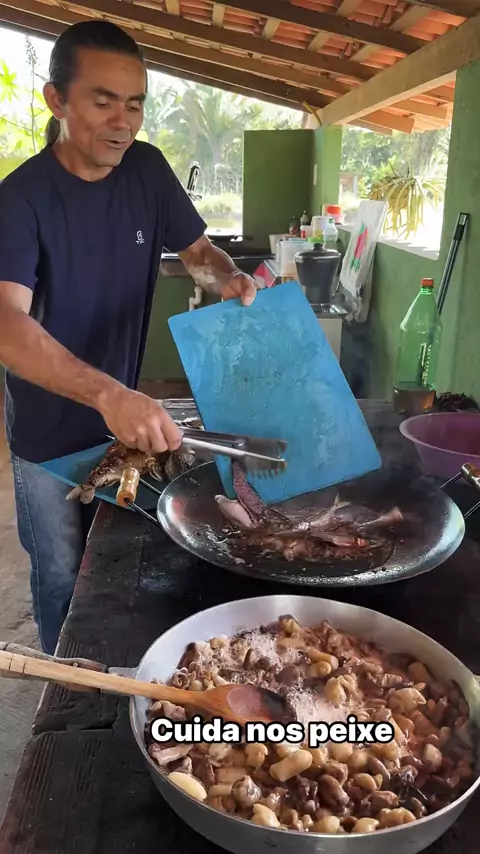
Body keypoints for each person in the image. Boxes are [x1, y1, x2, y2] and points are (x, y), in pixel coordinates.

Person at [0, 20, 257, 655]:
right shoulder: (20, 199)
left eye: (135, 104)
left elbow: (197, 251)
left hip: (124, 423)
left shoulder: (146, 170)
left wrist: (227, 277)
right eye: (103, 101)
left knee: (114, 566)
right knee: (60, 574)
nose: (123, 122)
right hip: (46, 436)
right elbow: (7, 322)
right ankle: (65, 694)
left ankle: (112, 678)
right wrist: (108, 394)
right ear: (56, 100)